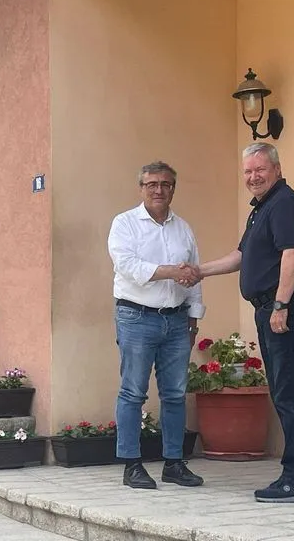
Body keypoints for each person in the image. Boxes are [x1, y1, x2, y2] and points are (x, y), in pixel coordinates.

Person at [194, 142, 294, 503]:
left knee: (289, 395)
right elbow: (241, 256)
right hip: (273, 308)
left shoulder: (285, 204)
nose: (253, 177)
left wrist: (280, 306)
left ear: (277, 170)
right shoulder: (262, 209)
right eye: (248, 171)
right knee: (289, 393)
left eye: (260, 170)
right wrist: (198, 271)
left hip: (287, 308)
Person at [107, 161, 205, 490]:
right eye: (151, 184)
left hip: (177, 320)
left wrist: (193, 319)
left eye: (165, 184)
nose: (158, 190)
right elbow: (129, 266)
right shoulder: (124, 224)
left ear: (173, 189)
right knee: (133, 391)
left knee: (175, 393)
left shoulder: (183, 228)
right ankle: (131, 465)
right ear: (141, 188)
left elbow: (194, 276)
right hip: (136, 317)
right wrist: (172, 271)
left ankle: (174, 463)